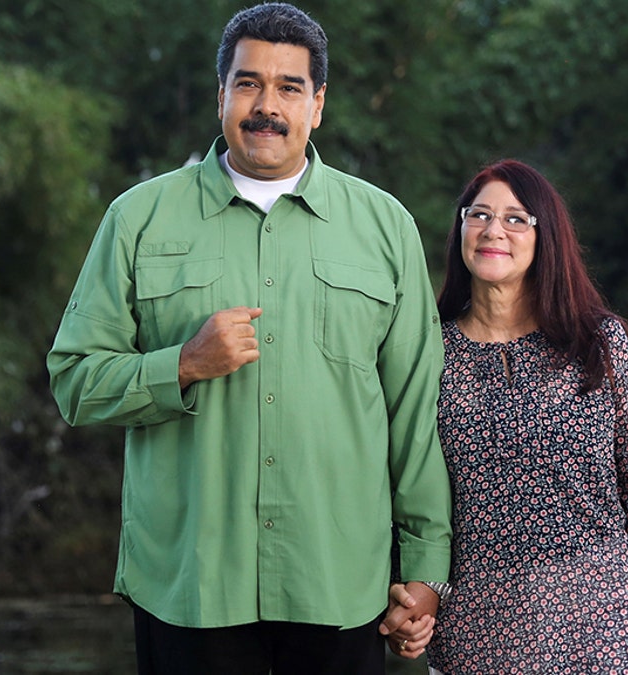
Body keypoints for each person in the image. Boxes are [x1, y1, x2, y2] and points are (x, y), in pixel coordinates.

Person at [45, 4, 452, 674]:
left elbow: (415, 417)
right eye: (248, 83)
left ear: (318, 105)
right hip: (190, 586)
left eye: (289, 87)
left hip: (338, 579)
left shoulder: (385, 228)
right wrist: (180, 363)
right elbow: (74, 382)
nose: (267, 105)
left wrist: (427, 569)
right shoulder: (138, 218)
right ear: (222, 95)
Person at [383, 160, 628, 674]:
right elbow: (401, 486)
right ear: (459, 228)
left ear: (545, 237)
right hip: (475, 645)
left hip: (610, 639)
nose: (492, 230)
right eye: (478, 214)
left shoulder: (596, 342)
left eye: (515, 219)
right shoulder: (425, 351)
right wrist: (407, 595)